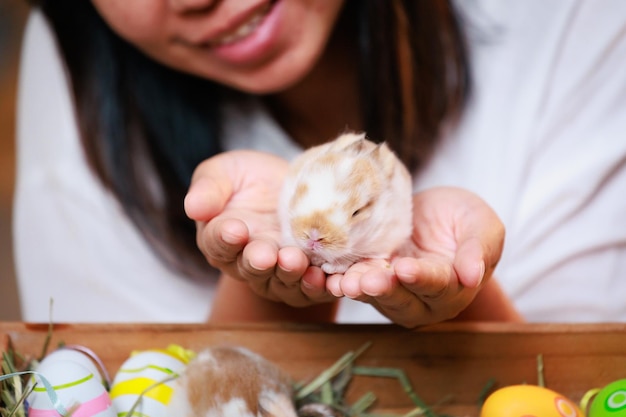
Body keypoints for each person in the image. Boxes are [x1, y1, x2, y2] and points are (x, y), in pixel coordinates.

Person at [13, 0, 626, 325]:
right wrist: (272, 293)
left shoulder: (572, 21)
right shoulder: (79, 67)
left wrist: (463, 299)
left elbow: (565, 383)